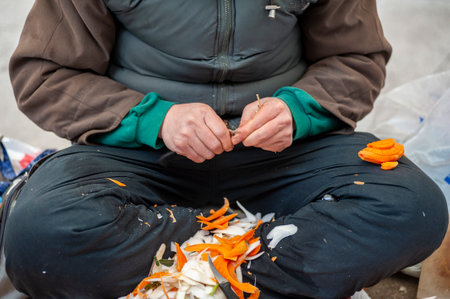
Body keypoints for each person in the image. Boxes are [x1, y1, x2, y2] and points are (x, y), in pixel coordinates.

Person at [3, 0, 448, 298]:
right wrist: (155, 119)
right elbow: (46, 75)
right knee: (37, 234)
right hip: (136, 157)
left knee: (414, 206)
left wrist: (300, 110)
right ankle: (265, 251)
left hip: (284, 156)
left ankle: (200, 275)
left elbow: (356, 58)